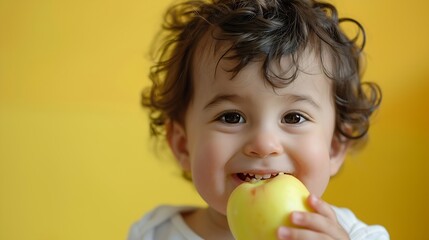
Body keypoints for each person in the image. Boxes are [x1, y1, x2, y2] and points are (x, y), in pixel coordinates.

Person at [129, 0, 390, 239]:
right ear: (183, 145)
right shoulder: (153, 234)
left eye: (294, 117)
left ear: (333, 147)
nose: (264, 144)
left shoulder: (355, 236)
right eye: (231, 117)